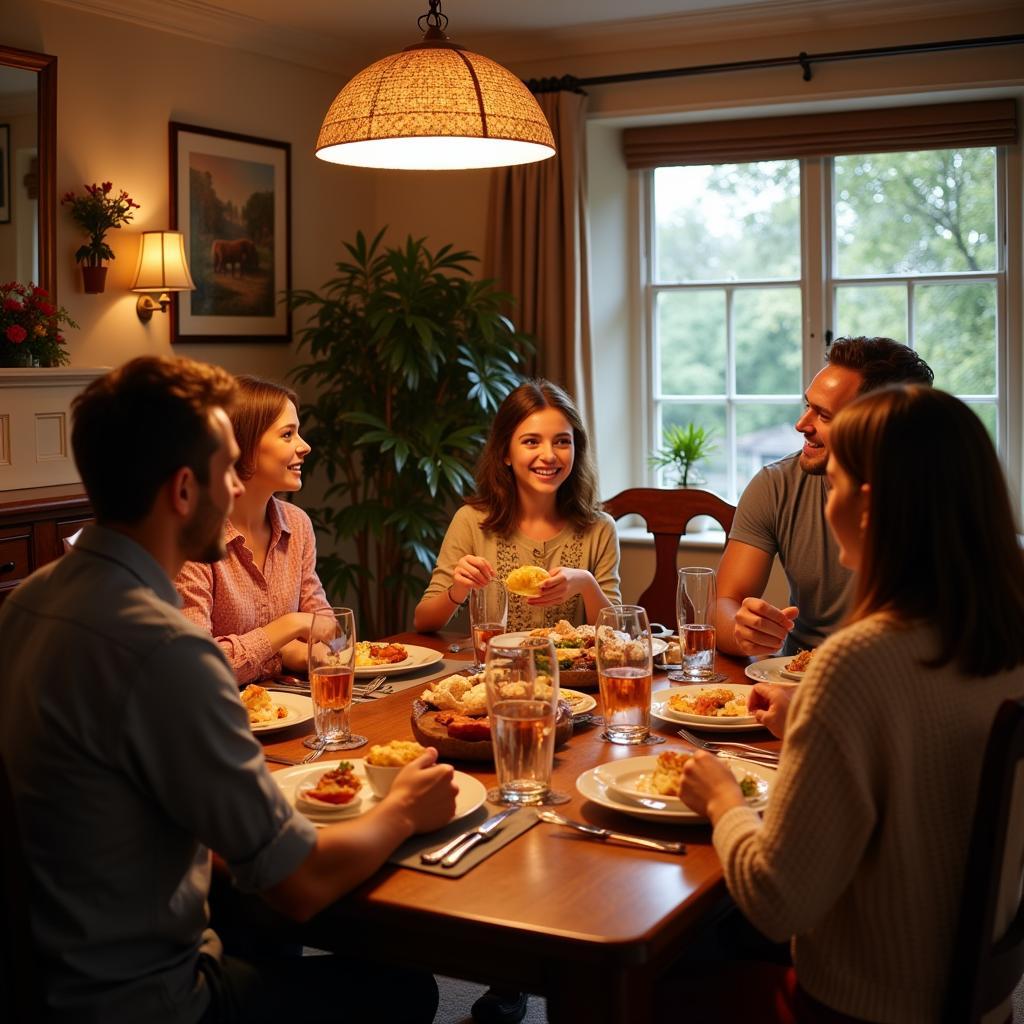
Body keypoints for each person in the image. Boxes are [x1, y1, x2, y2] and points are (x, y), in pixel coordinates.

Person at [0, 356, 457, 1023]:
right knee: (409, 989)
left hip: (47, 976)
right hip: (152, 1000)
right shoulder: (169, 651)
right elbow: (300, 885)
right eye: (227, 469)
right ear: (186, 491)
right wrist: (405, 811)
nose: (237, 483)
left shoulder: (28, 601)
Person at [678, 385, 1024, 1023]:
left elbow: (778, 902)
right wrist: (804, 716)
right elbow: (924, 750)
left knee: (671, 961)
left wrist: (720, 797)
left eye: (833, 484)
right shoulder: (1000, 637)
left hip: (865, 1004)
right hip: (982, 999)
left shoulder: (860, 661)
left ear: (866, 505)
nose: (825, 497)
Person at [715, 336, 934, 658]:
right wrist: (742, 629)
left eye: (825, 416)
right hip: (800, 676)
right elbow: (724, 602)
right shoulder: (775, 484)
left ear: (880, 427)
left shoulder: (943, 497)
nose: (802, 425)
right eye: (808, 406)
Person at [414, 378, 620, 634]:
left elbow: (616, 634)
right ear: (506, 453)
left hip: (570, 674)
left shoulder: (600, 528)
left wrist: (587, 584)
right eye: (531, 441)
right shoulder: (470, 521)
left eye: (562, 441)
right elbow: (423, 622)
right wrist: (458, 589)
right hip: (495, 672)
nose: (549, 455)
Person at [176, 374, 331, 683]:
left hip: (289, 709)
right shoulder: (192, 539)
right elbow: (196, 668)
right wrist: (287, 630)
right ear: (241, 445)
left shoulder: (297, 524)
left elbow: (328, 630)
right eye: (288, 435)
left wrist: (283, 651)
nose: (305, 446)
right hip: (214, 720)